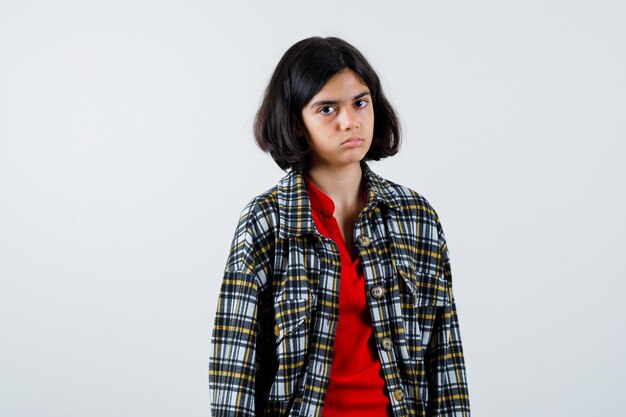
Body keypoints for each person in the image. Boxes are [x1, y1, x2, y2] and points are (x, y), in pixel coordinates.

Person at [209, 36, 470, 417]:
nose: (350, 121)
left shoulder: (415, 216)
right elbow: (236, 373)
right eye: (327, 109)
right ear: (296, 123)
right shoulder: (266, 221)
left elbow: (445, 359)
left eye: (360, 103)